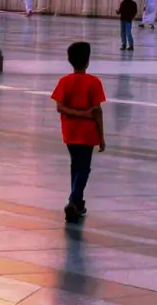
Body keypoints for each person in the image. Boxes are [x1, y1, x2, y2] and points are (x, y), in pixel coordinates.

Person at [51, 40, 107, 223]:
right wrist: (101, 136)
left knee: (76, 166)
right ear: (88, 61)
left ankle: (79, 202)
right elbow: (97, 111)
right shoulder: (94, 82)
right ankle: (73, 200)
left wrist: (76, 113)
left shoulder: (65, 81)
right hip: (88, 133)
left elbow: (60, 107)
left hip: (70, 132)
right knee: (84, 168)